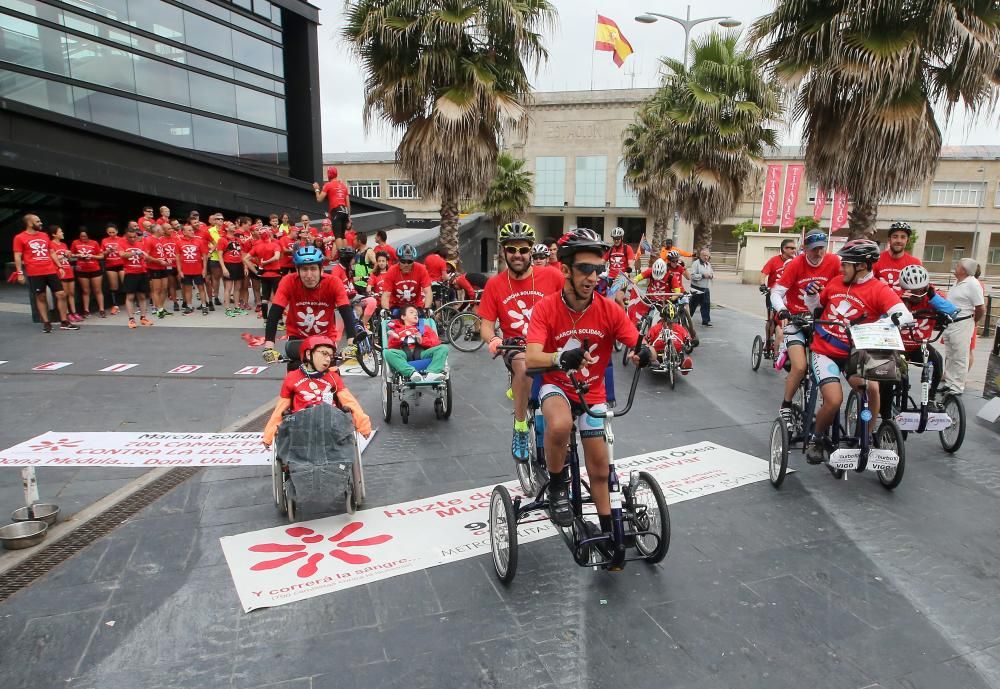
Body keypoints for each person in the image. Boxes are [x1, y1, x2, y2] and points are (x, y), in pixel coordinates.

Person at [525, 228, 650, 539]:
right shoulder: (546, 309)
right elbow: (531, 358)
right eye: (584, 269)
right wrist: (559, 359)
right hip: (557, 386)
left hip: (592, 393)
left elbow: (635, 341)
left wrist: (643, 352)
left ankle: (610, 529)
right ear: (565, 269)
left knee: (599, 467)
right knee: (559, 424)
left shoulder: (609, 309)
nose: (593, 276)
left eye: (598, 269)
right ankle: (556, 486)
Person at [802, 239, 912, 463]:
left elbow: (904, 313)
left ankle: (867, 435)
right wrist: (811, 295)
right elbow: (815, 308)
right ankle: (817, 438)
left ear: (861, 266)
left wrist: (893, 319)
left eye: (846, 264)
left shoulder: (879, 289)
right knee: (833, 400)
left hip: (856, 354)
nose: (841, 267)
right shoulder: (834, 283)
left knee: (872, 389)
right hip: (825, 352)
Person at [479, 221, 562, 462]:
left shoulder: (552, 276)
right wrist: (493, 338)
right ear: (503, 251)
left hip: (548, 342)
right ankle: (520, 426)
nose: (518, 255)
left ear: (531, 250)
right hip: (515, 345)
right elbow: (485, 324)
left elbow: (571, 303)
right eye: (512, 250)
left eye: (523, 250)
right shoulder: (495, 284)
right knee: (525, 367)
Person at [770, 231, 842, 426]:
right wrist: (783, 310)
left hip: (823, 321)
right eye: (814, 249)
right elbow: (776, 292)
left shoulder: (834, 262)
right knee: (800, 366)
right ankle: (786, 405)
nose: (819, 253)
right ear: (805, 249)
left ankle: (827, 405)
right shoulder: (796, 264)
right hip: (797, 320)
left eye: (822, 247)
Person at [261, 245, 361, 370]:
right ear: (297, 271)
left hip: (326, 337)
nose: (309, 275)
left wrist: (351, 343)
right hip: (297, 337)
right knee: (294, 376)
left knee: (331, 378)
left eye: (313, 269)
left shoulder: (333, 282)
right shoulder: (288, 281)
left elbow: (346, 313)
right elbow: (274, 314)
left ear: (321, 269)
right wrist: (269, 347)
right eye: (304, 269)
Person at [262, 335, 372, 448]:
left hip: (330, 425)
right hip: (301, 427)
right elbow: (280, 408)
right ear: (309, 354)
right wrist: (269, 435)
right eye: (324, 354)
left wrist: (363, 425)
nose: (328, 359)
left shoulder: (333, 377)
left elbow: (349, 402)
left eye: (330, 355)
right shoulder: (292, 378)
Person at [895, 264, 958, 409]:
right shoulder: (896, 296)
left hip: (919, 345)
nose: (917, 295)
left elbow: (953, 311)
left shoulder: (933, 297)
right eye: (912, 291)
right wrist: (903, 302)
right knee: (895, 375)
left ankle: (930, 399)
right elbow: (886, 316)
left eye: (920, 290)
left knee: (937, 360)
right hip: (898, 346)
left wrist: (932, 296)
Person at [12, 214, 78, 332]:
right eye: (37, 221)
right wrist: (19, 272)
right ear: (29, 223)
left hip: (50, 270)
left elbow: (51, 252)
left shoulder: (44, 235)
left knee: (61, 294)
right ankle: (46, 323)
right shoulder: (19, 237)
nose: (41, 223)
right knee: (41, 297)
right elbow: (17, 255)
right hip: (35, 272)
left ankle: (64, 321)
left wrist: (59, 266)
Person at [940, 258, 986, 396]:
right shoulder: (957, 282)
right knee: (950, 354)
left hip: (963, 322)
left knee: (960, 355)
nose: (956, 267)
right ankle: (949, 382)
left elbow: (980, 307)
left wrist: (974, 321)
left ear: (965, 269)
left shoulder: (973, 284)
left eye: (958, 265)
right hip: (951, 322)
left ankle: (957, 386)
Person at [385, 305, 449, 382]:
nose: (415, 314)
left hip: (422, 353)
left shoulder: (425, 328)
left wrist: (422, 340)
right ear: (403, 317)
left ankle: (432, 373)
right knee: (387, 352)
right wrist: (397, 338)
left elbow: (435, 342)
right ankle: (412, 373)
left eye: (416, 313)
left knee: (443, 348)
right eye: (411, 312)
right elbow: (391, 347)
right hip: (403, 354)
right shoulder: (397, 330)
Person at [760, 238, 797, 350]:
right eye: (790, 248)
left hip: (788, 295)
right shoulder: (774, 260)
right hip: (773, 293)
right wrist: (763, 285)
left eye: (794, 248)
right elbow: (763, 274)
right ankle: (768, 341)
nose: (793, 250)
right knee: (770, 319)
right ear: (784, 249)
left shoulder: (796, 261)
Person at [380, 244, 432, 314]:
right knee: (395, 315)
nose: (406, 264)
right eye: (403, 261)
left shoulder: (421, 269)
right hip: (396, 305)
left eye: (409, 262)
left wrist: (426, 308)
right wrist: (386, 311)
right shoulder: (392, 270)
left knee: (423, 319)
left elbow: (428, 292)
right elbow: (386, 295)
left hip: (416, 305)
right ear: (399, 260)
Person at [120, 223, 154, 328]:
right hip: (130, 273)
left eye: (134, 237)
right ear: (126, 236)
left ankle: (143, 317)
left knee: (142, 296)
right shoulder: (122, 243)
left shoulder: (140, 244)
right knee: (130, 296)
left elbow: (147, 257)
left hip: (142, 272)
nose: (132, 239)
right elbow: (122, 254)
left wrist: (146, 255)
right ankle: (131, 319)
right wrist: (135, 253)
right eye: (130, 237)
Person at [873, 221, 921, 295]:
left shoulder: (915, 263)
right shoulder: (876, 259)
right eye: (895, 237)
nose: (899, 241)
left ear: (907, 240)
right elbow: (868, 285)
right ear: (889, 240)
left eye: (903, 237)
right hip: (879, 304)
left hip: (904, 305)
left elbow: (919, 289)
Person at [245, 228, 282, 318]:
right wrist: (266, 262)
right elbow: (277, 257)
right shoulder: (274, 245)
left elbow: (245, 258)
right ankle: (279, 321)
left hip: (264, 275)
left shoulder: (257, 246)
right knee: (277, 298)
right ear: (269, 235)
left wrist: (256, 271)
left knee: (265, 298)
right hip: (275, 274)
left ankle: (265, 320)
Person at [175, 224, 211, 316]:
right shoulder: (179, 243)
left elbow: (204, 256)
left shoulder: (199, 241)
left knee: (201, 288)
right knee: (187, 289)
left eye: (192, 230)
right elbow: (178, 258)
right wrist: (180, 271)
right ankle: (189, 306)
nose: (192, 232)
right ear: (183, 232)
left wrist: (204, 269)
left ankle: (204, 306)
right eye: (189, 230)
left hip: (198, 270)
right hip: (186, 271)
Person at [49, 226, 82, 322]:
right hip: (60, 271)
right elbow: (52, 259)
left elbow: (68, 258)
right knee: (64, 294)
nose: (62, 233)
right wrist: (63, 255)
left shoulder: (64, 244)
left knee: (71, 293)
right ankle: (67, 313)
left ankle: (74, 312)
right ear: (54, 234)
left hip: (68, 270)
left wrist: (71, 255)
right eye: (60, 232)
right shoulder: (50, 244)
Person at [313, 166, 351, 248]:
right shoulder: (343, 186)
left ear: (329, 175)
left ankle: (342, 254)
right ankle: (346, 255)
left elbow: (319, 199)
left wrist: (316, 189)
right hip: (344, 211)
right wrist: (348, 218)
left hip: (336, 210)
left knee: (337, 235)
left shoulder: (328, 185)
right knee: (342, 235)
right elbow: (348, 203)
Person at [71, 228, 105, 317]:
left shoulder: (94, 243)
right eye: (81, 236)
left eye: (85, 236)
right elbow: (70, 255)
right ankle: (86, 310)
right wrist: (78, 255)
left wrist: (92, 256)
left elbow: (101, 256)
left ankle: (101, 309)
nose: (83, 238)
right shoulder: (75, 243)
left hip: (94, 268)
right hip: (82, 269)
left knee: (98, 290)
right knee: (85, 291)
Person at [603, 227, 634, 308]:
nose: (616, 240)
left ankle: (623, 318)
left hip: (622, 277)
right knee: (608, 301)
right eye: (614, 238)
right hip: (611, 277)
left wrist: (628, 271)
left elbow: (631, 264)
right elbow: (602, 261)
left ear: (622, 238)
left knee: (618, 299)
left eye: (618, 238)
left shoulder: (627, 248)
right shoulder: (610, 249)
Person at [219, 223, 246, 316]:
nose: (234, 226)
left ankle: (237, 307)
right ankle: (227, 308)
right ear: (226, 228)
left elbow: (241, 253)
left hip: (238, 264)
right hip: (228, 264)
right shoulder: (222, 239)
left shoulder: (237, 239)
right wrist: (224, 268)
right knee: (228, 288)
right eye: (231, 225)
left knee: (237, 288)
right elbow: (219, 255)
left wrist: (245, 266)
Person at [102, 223, 125, 315]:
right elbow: (102, 254)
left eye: (113, 232)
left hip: (121, 263)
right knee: (113, 286)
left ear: (117, 231)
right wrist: (107, 251)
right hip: (110, 264)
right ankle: (115, 305)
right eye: (109, 232)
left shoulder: (121, 239)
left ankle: (130, 302)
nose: (111, 234)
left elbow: (126, 251)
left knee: (125, 282)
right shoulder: (104, 240)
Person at [688, 248, 714, 326]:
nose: (706, 257)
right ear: (700, 256)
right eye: (704, 255)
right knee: (692, 305)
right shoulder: (696, 263)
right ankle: (687, 318)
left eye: (707, 256)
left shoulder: (708, 264)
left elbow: (711, 272)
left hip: (705, 287)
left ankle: (706, 321)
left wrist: (711, 275)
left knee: (706, 304)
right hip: (696, 287)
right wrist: (702, 276)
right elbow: (692, 276)